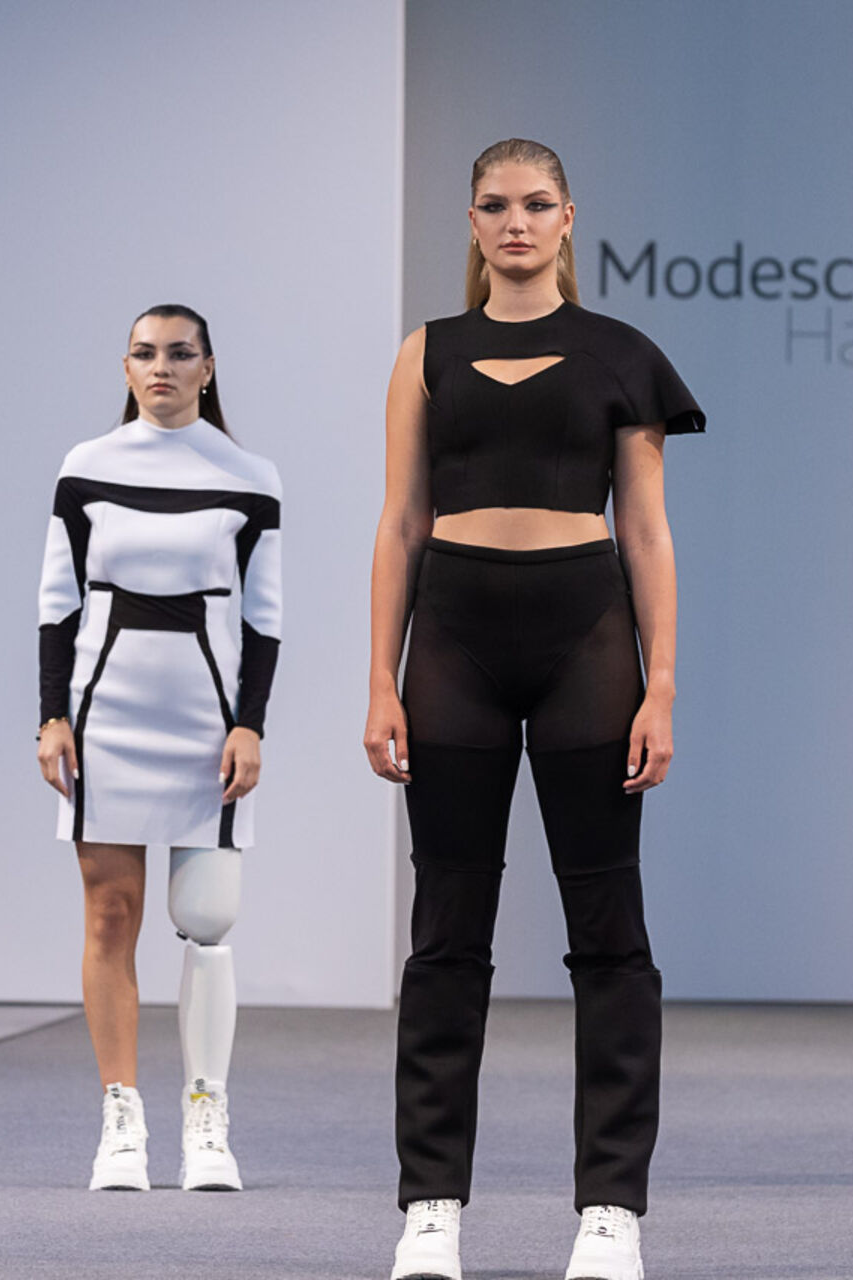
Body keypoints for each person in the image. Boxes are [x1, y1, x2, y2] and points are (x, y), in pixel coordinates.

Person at [366, 138, 703, 1280]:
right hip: (452, 641)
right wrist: (379, 678)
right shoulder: (427, 352)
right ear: (471, 221)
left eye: (537, 203)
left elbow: (646, 531)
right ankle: (430, 1207)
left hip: (587, 641)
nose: (517, 222)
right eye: (497, 205)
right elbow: (400, 523)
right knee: (446, 934)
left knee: (609, 933)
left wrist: (663, 682)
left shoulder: (623, 355)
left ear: (568, 218)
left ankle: (611, 1210)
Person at [35, 304, 282, 1193]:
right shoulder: (86, 468)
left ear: (208, 368)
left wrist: (251, 724)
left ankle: (207, 1119)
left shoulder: (249, 477)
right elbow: (58, 603)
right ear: (126, 367)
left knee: (208, 921)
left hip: (207, 723)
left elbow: (264, 618)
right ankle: (121, 1119)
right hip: (106, 715)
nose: (162, 368)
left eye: (180, 354)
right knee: (110, 916)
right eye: (145, 353)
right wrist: (51, 718)